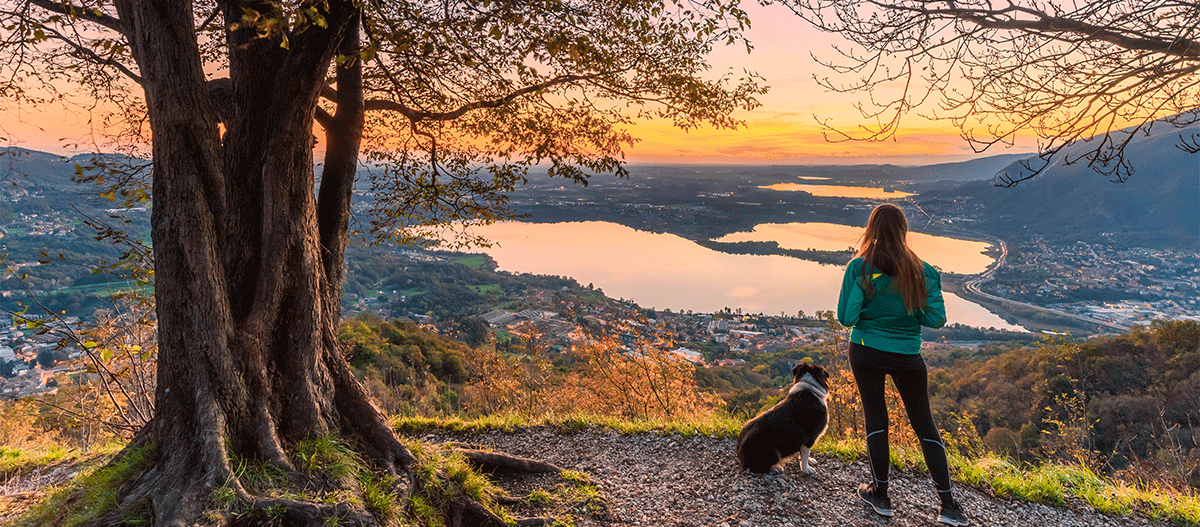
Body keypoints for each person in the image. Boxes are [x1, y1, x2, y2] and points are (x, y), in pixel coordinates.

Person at [836, 203, 969, 526]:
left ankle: (880, 495)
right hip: (908, 355)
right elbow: (935, 318)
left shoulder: (860, 269)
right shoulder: (923, 271)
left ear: (871, 229)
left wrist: (871, 306)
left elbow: (846, 318)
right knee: (925, 425)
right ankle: (948, 505)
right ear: (904, 230)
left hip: (866, 350)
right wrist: (908, 308)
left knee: (876, 418)